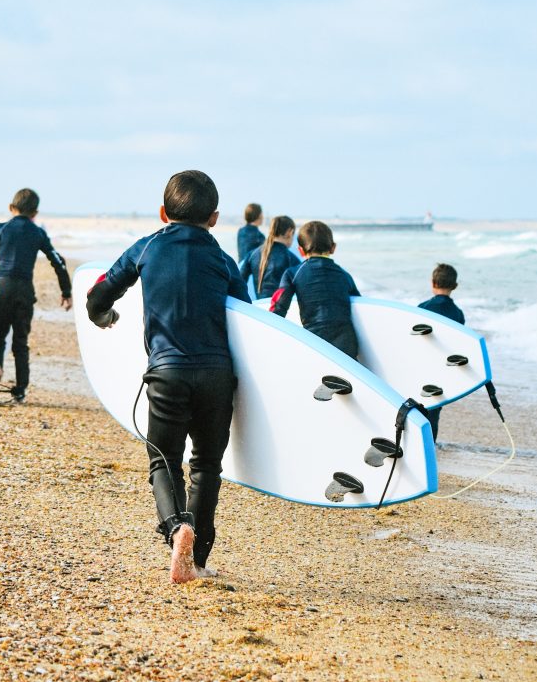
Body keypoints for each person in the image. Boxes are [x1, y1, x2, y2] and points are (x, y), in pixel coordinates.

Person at [86, 170, 250, 584]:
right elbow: (252, 326)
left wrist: (104, 316)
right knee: (208, 466)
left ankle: (177, 529)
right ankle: (197, 559)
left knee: (163, 461)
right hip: (216, 376)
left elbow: (99, 294)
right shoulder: (224, 262)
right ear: (214, 218)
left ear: (163, 213)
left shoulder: (146, 249)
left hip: (166, 374)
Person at [0, 188, 72, 403]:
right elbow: (58, 261)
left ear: (11, 208)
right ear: (35, 213)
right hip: (25, 292)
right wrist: (66, 291)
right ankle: (19, 390)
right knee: (21, 342)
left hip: (2, 289)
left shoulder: (0, 230)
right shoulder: (38, 233)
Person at [270, 221, 361, 358]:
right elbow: (360, 307)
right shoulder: (344, 275)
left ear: (300, 250)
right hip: (347, 345)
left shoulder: (293, 274)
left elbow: (278, 309)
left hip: (315, 344)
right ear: (333, 248)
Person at [418, 263, 465, 441]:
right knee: (434, 409)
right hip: (441, 368)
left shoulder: (422, 307)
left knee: (418, 406)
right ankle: (431, 444)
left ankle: (416, 444)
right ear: (455, 286)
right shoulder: (458, 314)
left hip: (422, 364)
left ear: (433, 282)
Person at [240, 215, 301, 299]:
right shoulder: (291, 259)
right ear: (290, 232)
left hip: (259, 308)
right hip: (280, 310)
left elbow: (239, 283)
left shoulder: (252, 255)